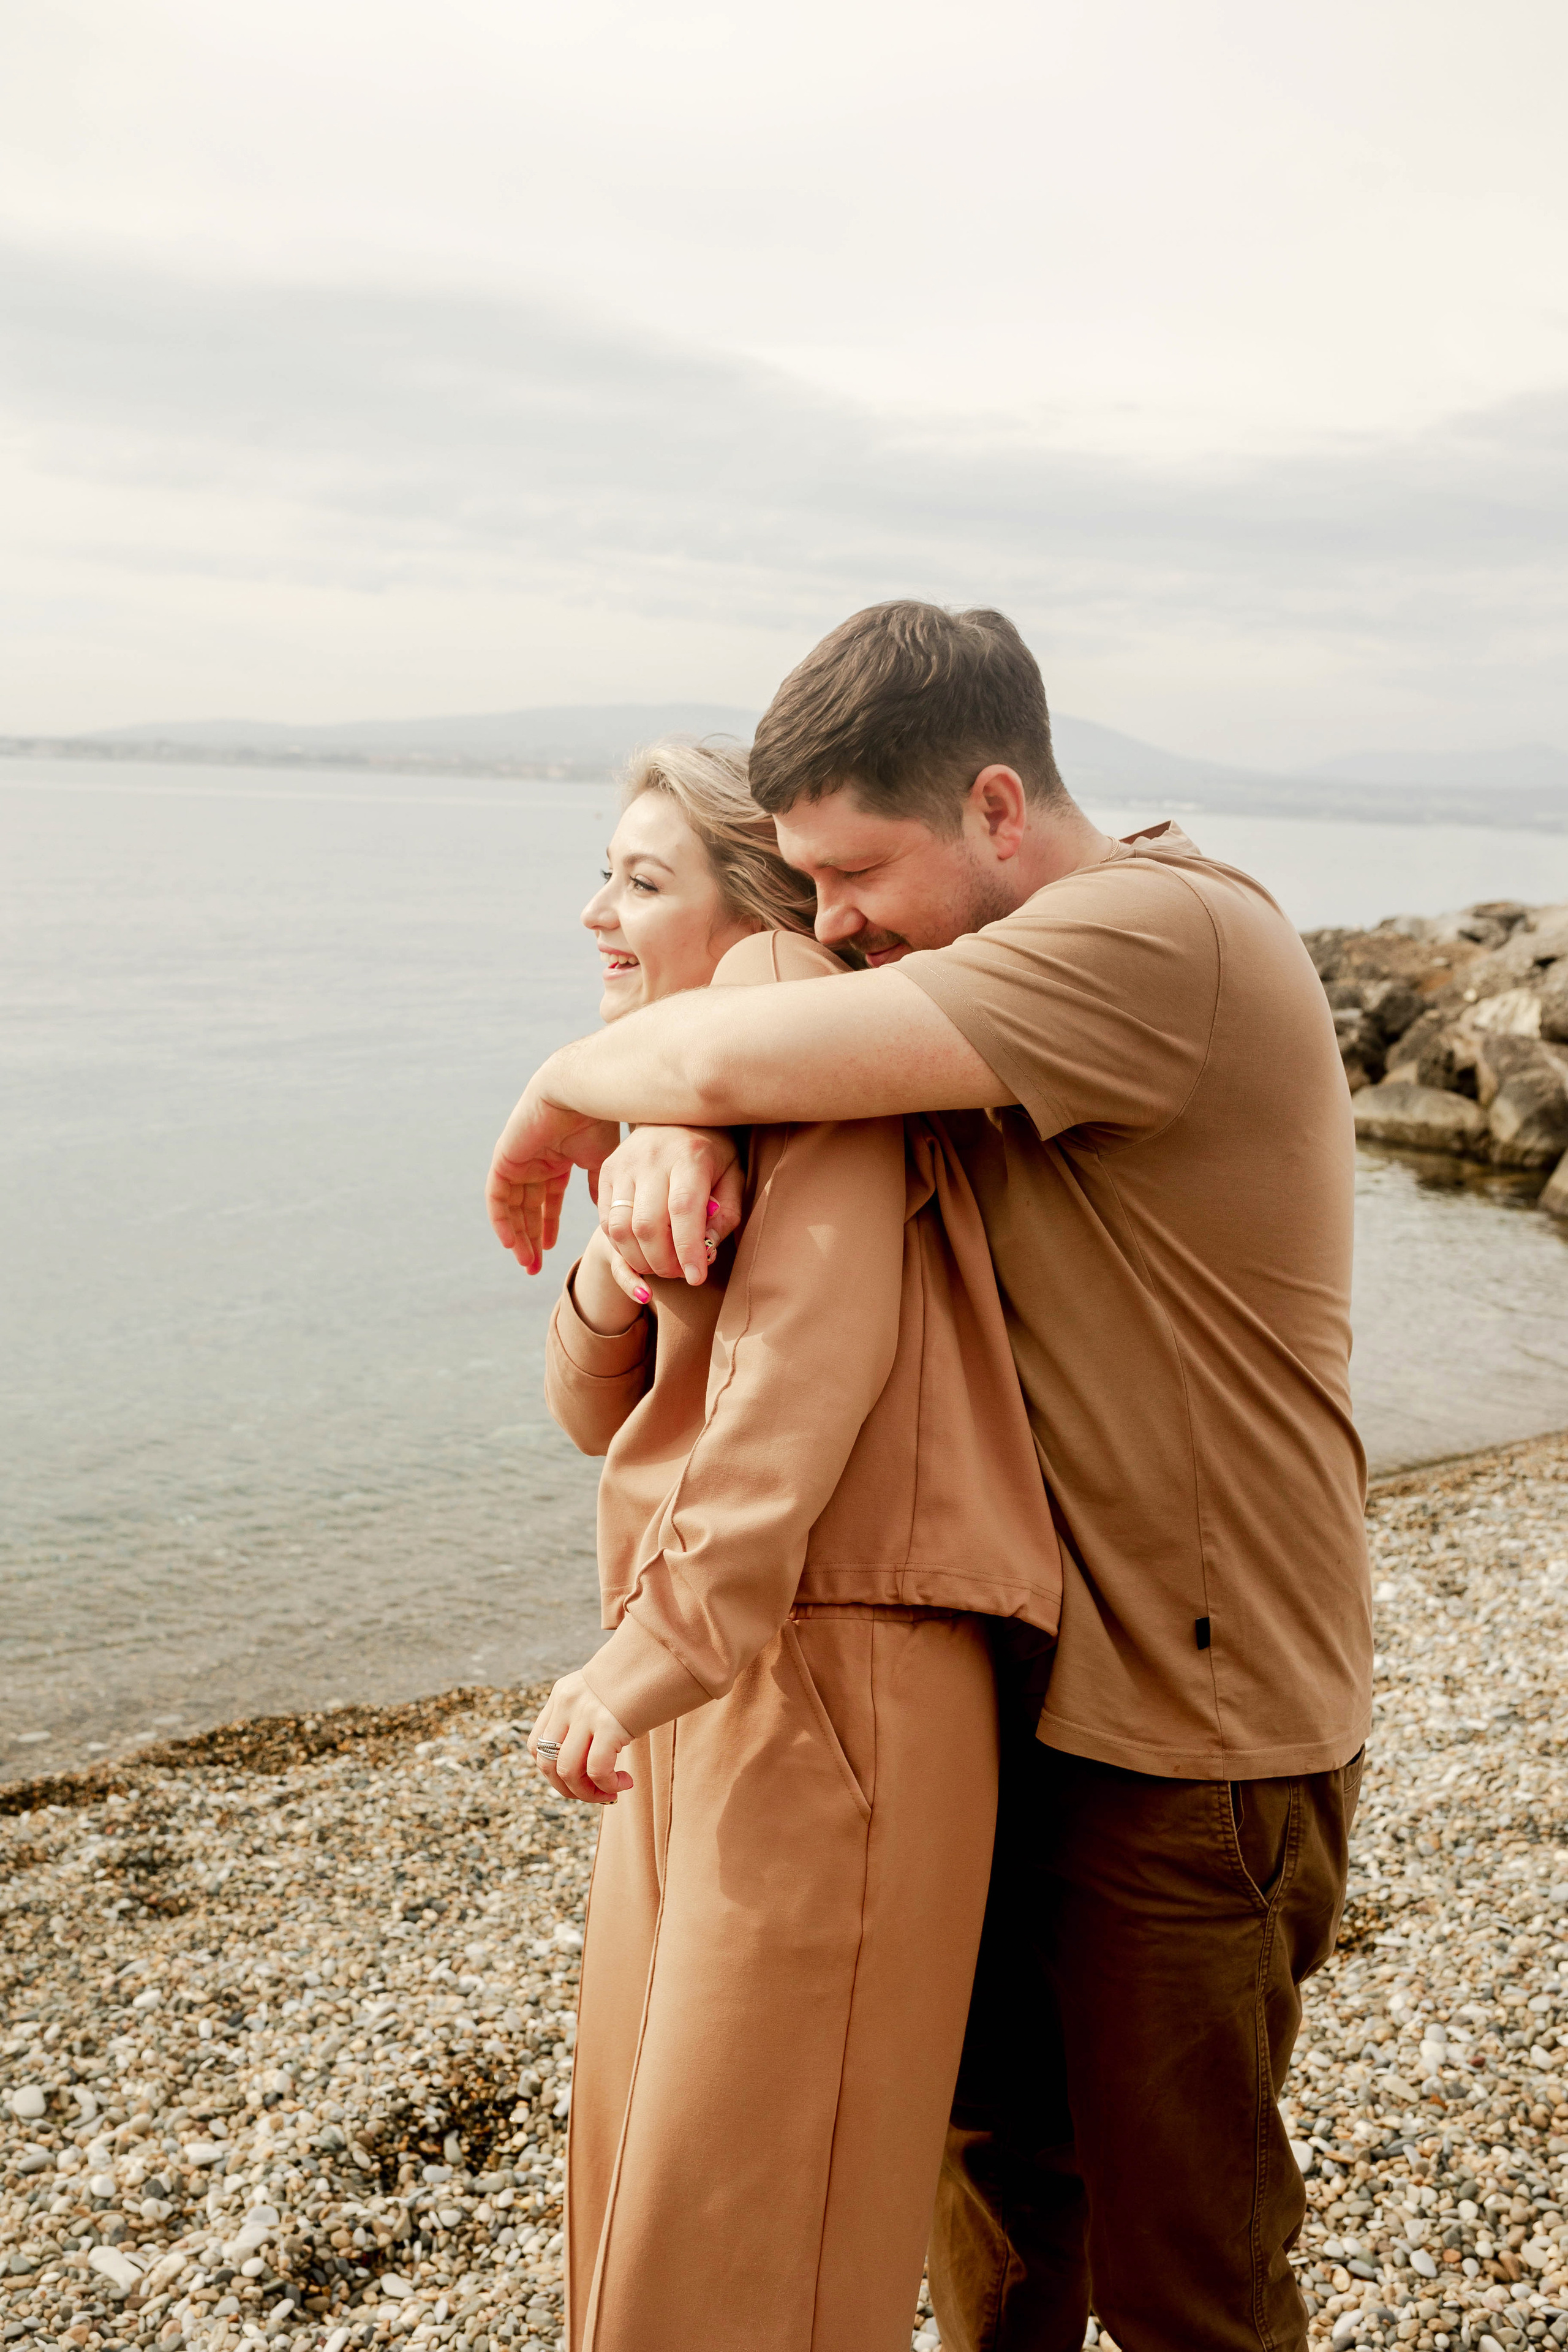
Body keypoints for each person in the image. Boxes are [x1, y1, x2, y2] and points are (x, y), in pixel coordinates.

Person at [488, 608, 1374, 2352]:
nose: (833, 927)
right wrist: (665, 1123)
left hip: (1202, 1739)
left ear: (991, 808)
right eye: (802, 890)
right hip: (1034, 1700)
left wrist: (566, 1093)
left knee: (1189, 2279)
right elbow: (737, 1092)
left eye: (853, 876)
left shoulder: (1163, 936)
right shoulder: (948, 1005)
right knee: (1007, 2246)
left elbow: (751, 1048)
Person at [522, 738, 1061, 2352]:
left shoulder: (796, 1050)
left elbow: (794, 1382)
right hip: (742, 1670)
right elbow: (590, 1407)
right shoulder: (704, 1078)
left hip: (838, 1674)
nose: (596, 915)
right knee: (658, 2182)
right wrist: (622, 1253)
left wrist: (653, 1650)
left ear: (753, 912)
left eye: (639, 880)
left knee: (756, 2221)